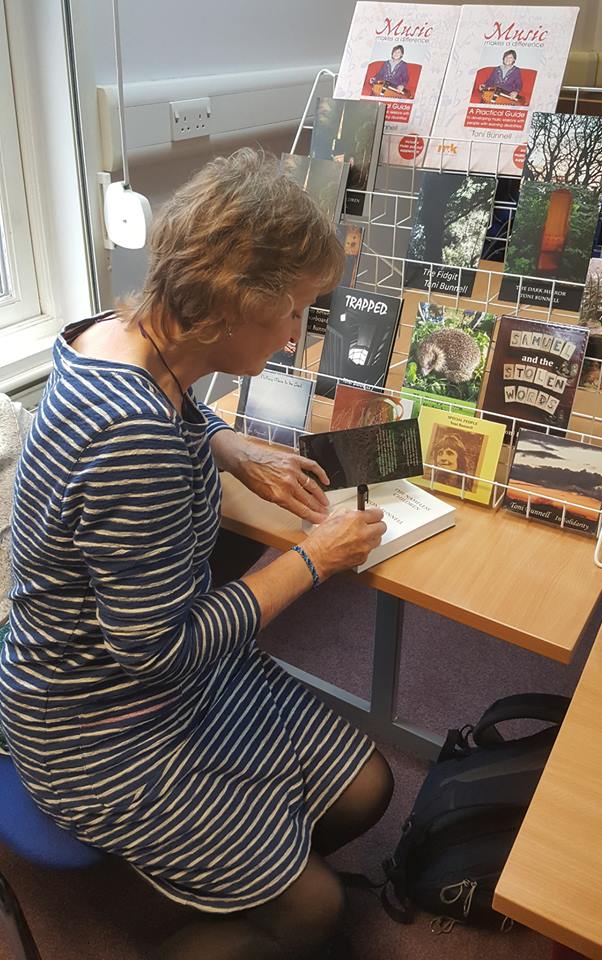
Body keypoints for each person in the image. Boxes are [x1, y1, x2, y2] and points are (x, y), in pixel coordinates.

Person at [0, 149, 394, 960]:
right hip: (98, 727)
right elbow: (157, 652)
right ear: (231, 305)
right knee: (315, 911)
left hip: (154, 681)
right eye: (292, 312)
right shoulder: (131, 437)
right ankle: (252, 899)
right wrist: (311, 561)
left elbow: (167, 406)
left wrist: (229, 444)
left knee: (366, 788)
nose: (296, 334)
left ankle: (249, 870)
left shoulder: (112, 333)